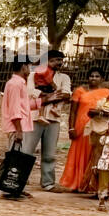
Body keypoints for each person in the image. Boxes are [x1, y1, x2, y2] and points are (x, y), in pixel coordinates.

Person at [24, 49, 71, 192]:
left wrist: (48, 95)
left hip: (53, 118)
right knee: (27, 151)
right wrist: (51, 95)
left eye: (60, 60)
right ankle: (20, 179)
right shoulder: (33, 75)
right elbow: (31, 93)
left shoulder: (64, 78)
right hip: (35, 117)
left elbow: (67, 94)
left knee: (50, 153)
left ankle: (48, 183)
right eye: (54, 60)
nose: (58, 63)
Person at [60, 68, 109, 192]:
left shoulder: (108, 92)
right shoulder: (79, 91)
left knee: (93, 154)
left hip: (99, 127)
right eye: (91, 76)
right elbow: (72, 111)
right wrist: (71, 127)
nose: (93, 78)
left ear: (102, 79)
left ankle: (91, 184)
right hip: (80, 127)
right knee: (79, 154)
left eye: (97, 76)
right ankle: (77, 183)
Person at [0, 58, 34, 199]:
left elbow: (23, 106)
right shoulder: (15, 84)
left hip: (20, 126)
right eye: (28, 66)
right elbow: (15, 109)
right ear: (23, 67)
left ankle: (16, 187)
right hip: (17, 127)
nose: (30, 69)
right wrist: (19, 130)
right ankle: (10, 188)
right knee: (15, 160)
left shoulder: (18, 83)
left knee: (18, 159)